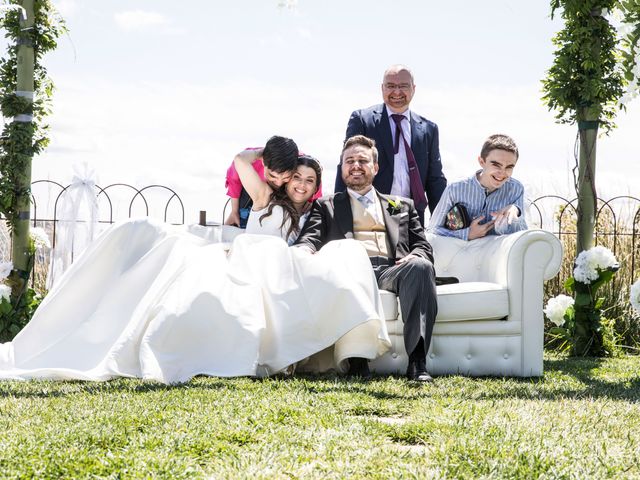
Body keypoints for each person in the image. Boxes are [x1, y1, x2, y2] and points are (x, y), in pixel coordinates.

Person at [0, 150, 390, 383]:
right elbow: (242, 163)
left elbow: (308, 242)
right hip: (251, 257)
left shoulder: (312, 214)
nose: (302, 184)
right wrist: (270, 157)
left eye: (309, 179)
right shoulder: (266, 196)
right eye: (296, 177)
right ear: (285, 179)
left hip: (277, 267)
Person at [297, 135, 437, 382]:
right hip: (351, 271)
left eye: (362, 160)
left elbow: (423, 246)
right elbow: (310, 238)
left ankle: (417, 362)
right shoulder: (327, 205)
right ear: (342, 168)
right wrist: (305, 251)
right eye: (349, 161)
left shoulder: (399, 205)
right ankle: (358, 362)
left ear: (376, 167)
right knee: (348, 273)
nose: (355, 166)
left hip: (392, 271)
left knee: (421, 266)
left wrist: (414, 256)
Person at [335, 65, 447, 225]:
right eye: (391, 86)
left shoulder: (429, 129)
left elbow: (435, 180)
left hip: (412, 219)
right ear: (382, 88)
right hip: (369, 215)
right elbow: (347, 165)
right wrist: (338, 214)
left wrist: (447, 222)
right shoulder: (363, 120)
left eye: (403, 86)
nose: (397, 92)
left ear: (413, 89)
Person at [427, 134, 527, 241]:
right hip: (461, 254)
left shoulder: (516, 189)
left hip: (497, 255)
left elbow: (522, 235)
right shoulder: (455, 189)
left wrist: (516, 211)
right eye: (496, 165)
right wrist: (467, 234)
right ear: (481, 162)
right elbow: (432, 230)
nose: (502, 173)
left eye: (509, 167)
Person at [224, 135, 321, 228]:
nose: (279, 183)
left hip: (283, 199)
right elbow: (234, 177)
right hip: (252, 193)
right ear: (263, 162)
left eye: (285, 177)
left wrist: (312, 202)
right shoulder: (253, 159)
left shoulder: (300, 161)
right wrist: (234, 211)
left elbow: (313, 182)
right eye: (272, 176)